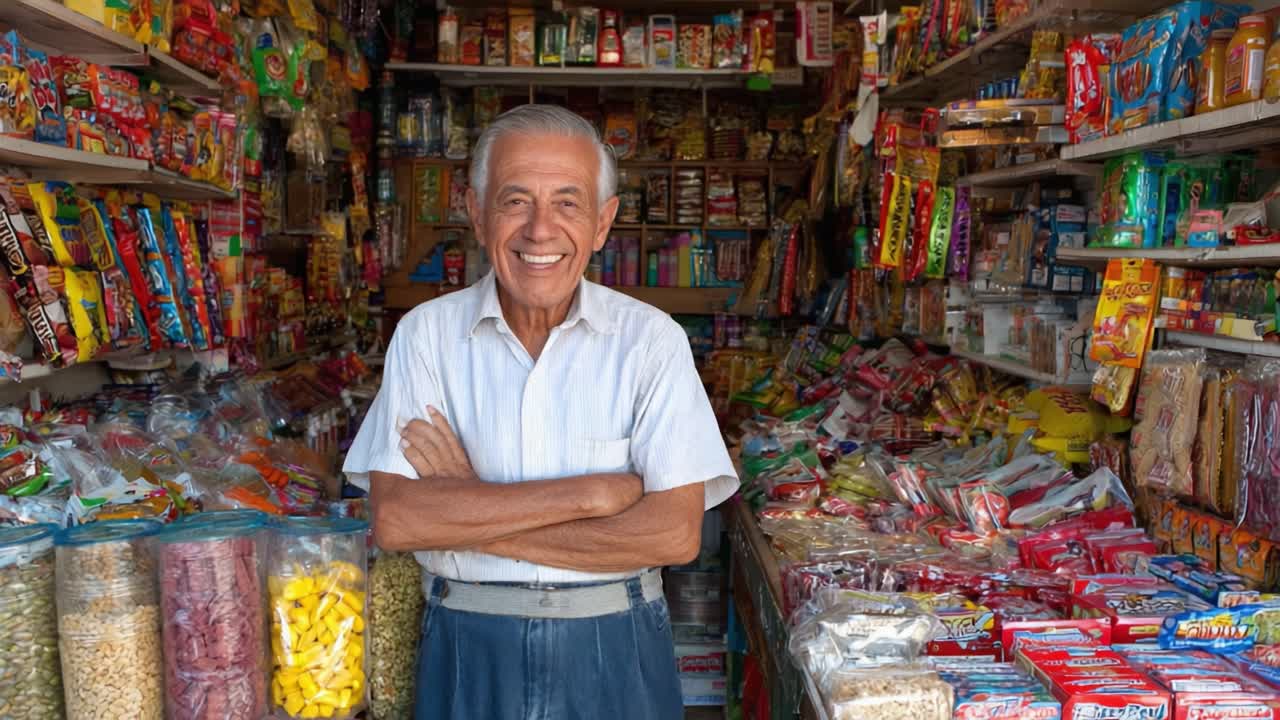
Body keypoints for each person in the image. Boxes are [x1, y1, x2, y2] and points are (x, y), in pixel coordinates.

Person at [343, 104, 738, 720]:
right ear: (476, 214)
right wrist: (592, 494)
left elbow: (672, 533)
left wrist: (467, 503)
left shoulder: (651, 341)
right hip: (466, 643)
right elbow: (399, 521)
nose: (540, 230)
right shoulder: (425, 336)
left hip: (617, 641)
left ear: (603, 222)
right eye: (515, 201)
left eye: (568, 203)